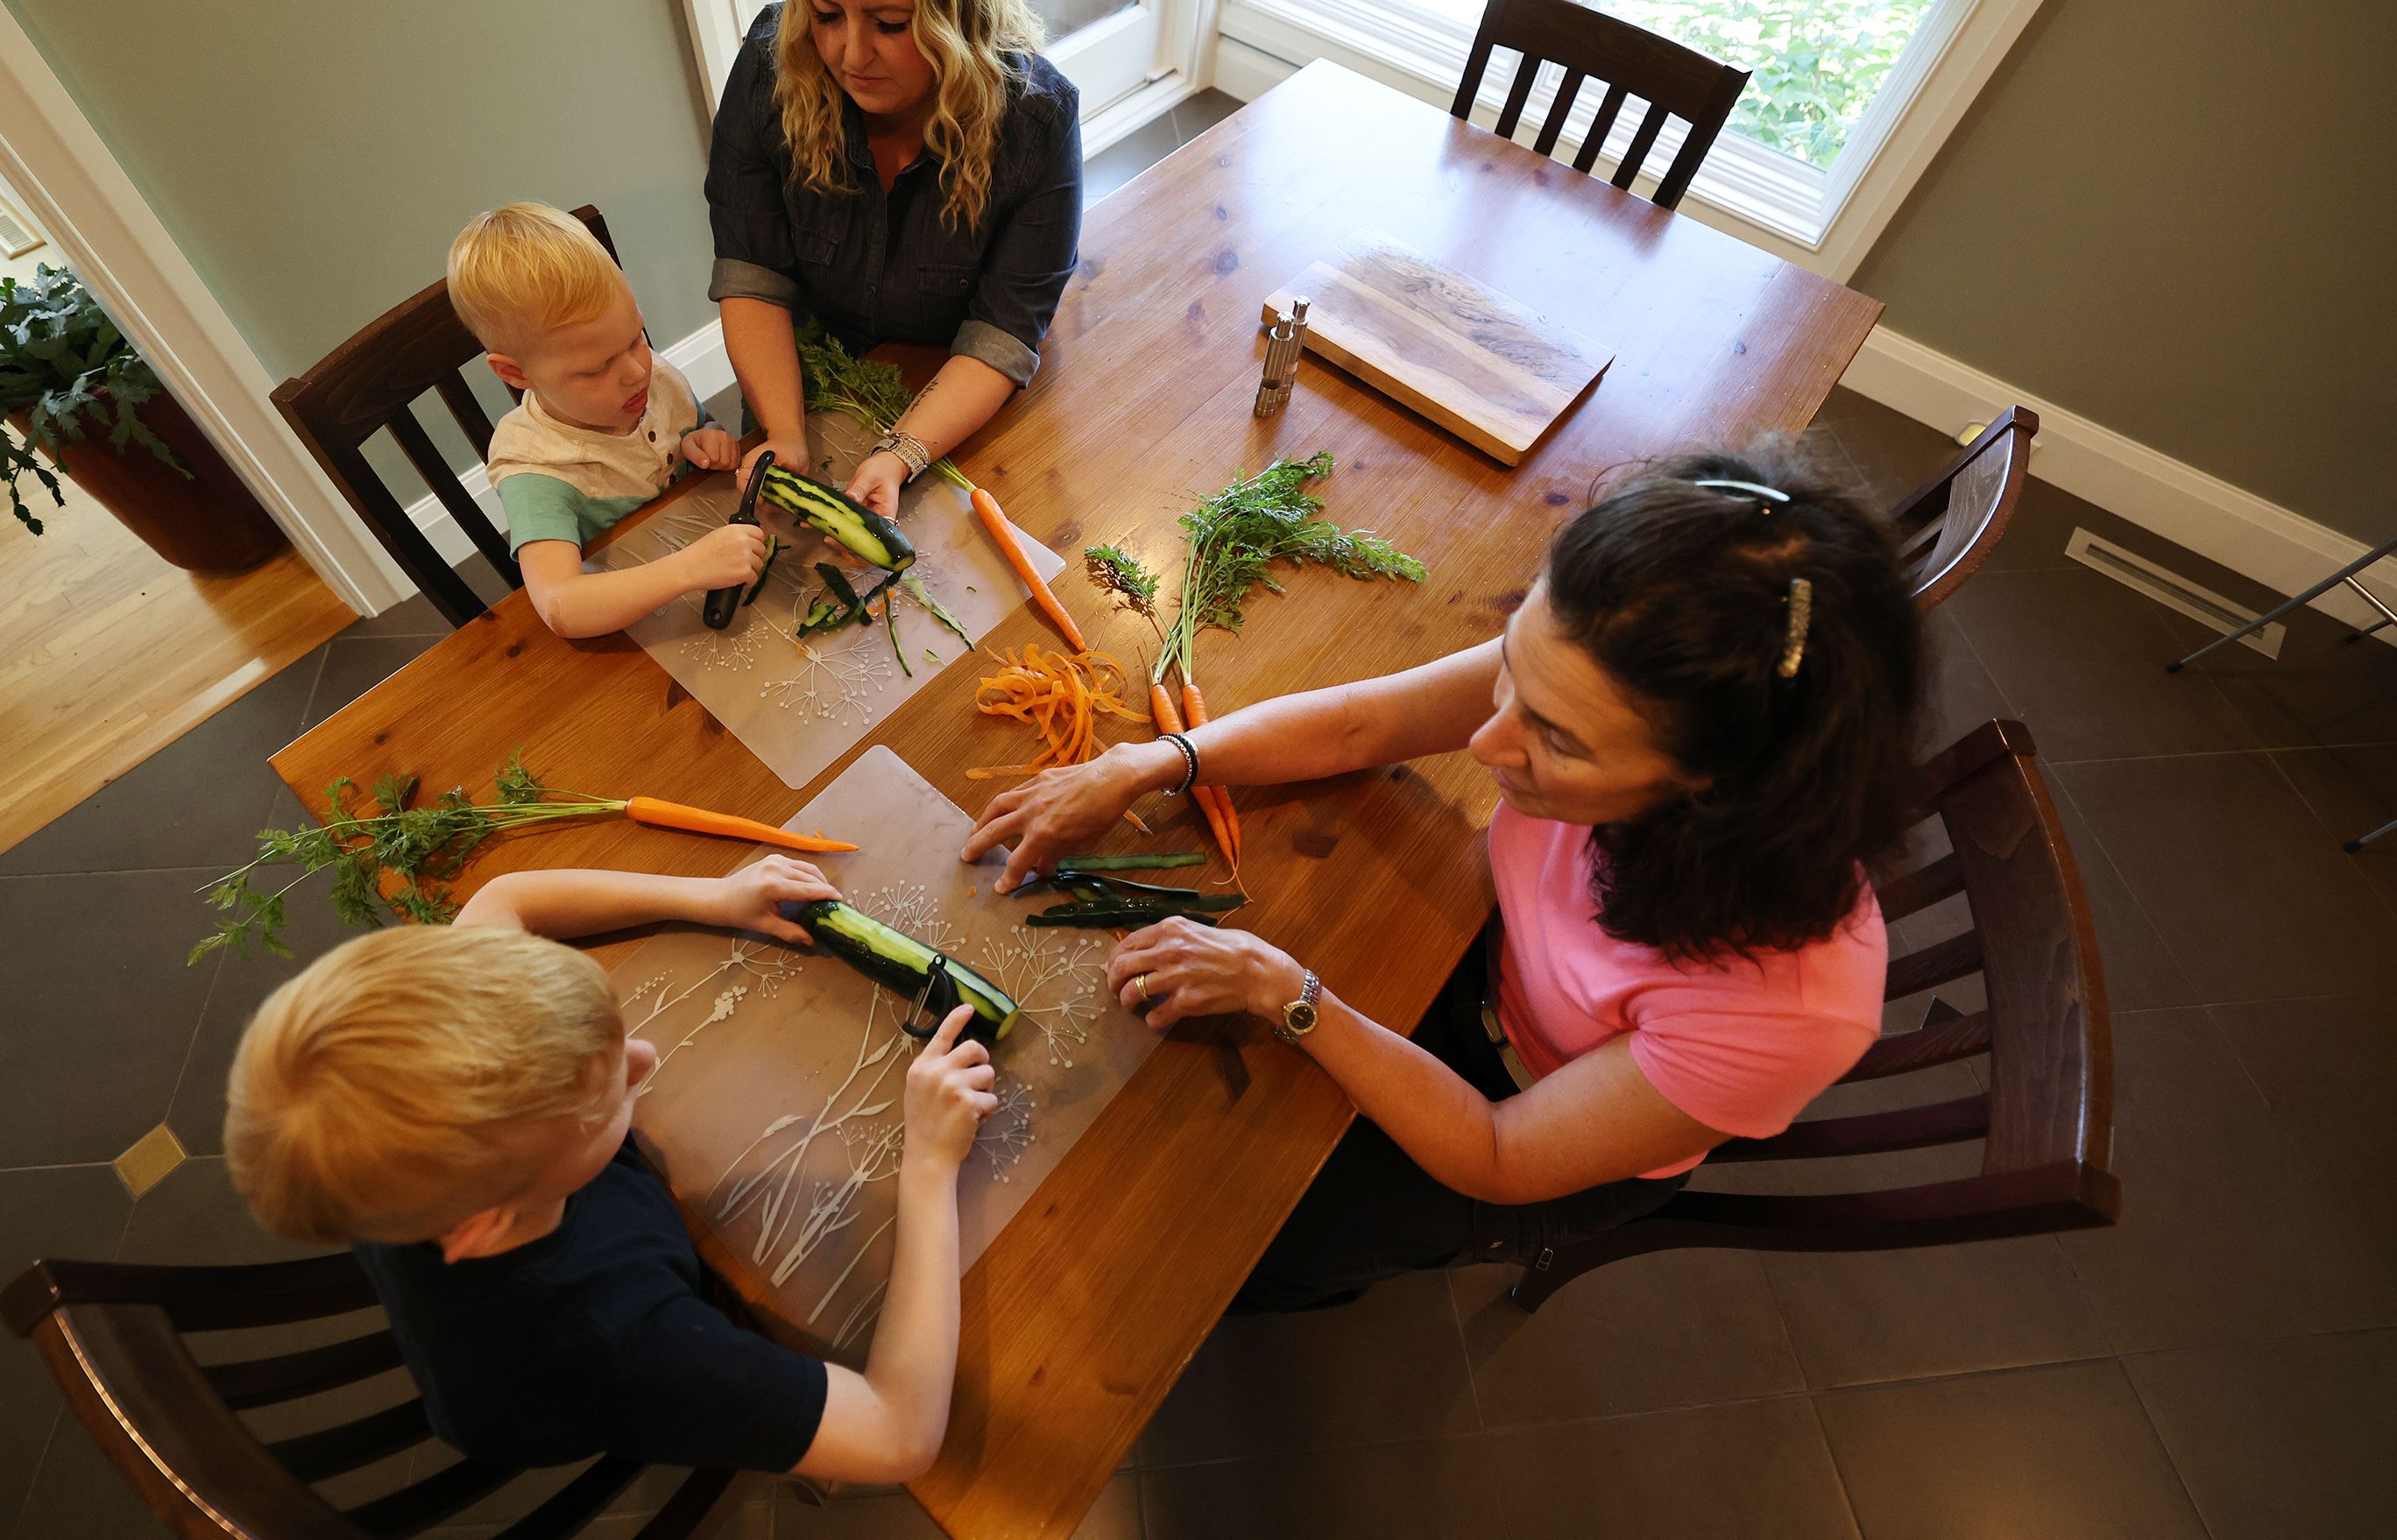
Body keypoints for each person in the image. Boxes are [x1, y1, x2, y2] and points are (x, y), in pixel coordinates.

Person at [961, 450, 1924, 1310]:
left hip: (1531, 1114)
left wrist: (1284, 990)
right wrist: (1151, 762)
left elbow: (1499, 1151)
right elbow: (1358, 723)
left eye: (1555, 739)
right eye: (1510, 670)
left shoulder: (1792, 1008)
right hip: (1480, 962)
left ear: (1713, 784)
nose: (1485, 738)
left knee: (1237, 1243)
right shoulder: (1590, 651)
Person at [223, 856, 1000, 1477]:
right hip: (573, 1389)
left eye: (612, 1040)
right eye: (600, 1100)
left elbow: (508, 898)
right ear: (486, 1218)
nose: (643, 1058)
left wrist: (715, 897)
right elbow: (900, 1437)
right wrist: (928, 1166)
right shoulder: (623, 1343)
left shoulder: (419, 1133)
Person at [706, 0, 1082, 519]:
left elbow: (1001, 334)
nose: (850, 55)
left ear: (956, 4)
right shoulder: (767, 75)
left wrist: (900, 452)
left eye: (889, 23)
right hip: (805, 382)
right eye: (823, 13)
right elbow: (753, 277)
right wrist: (784, 433)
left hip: (956, 396)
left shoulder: (1036, 121)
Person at [449, 201, 769, 639]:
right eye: (597, 368)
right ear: (516, 374)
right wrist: (690, 569)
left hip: (705, 568)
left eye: (636, 336)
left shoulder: (646, 377)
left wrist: (709, 439)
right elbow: (563, 607)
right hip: (631, 625)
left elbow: (698, 429)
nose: (639, 371)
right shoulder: (535, 468)